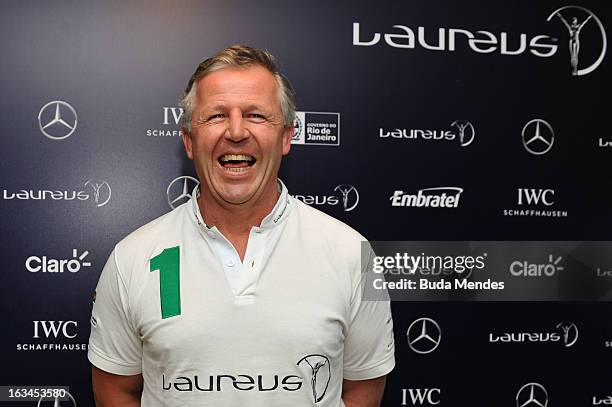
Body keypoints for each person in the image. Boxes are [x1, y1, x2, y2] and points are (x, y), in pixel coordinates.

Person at [88, 45, 395, 406]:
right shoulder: (133, 258)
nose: (236, 131)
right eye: (216, 116)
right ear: (189, 139)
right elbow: (115, 391)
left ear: (285, 137)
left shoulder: (351, 253)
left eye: (256, 116)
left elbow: (363, 390)